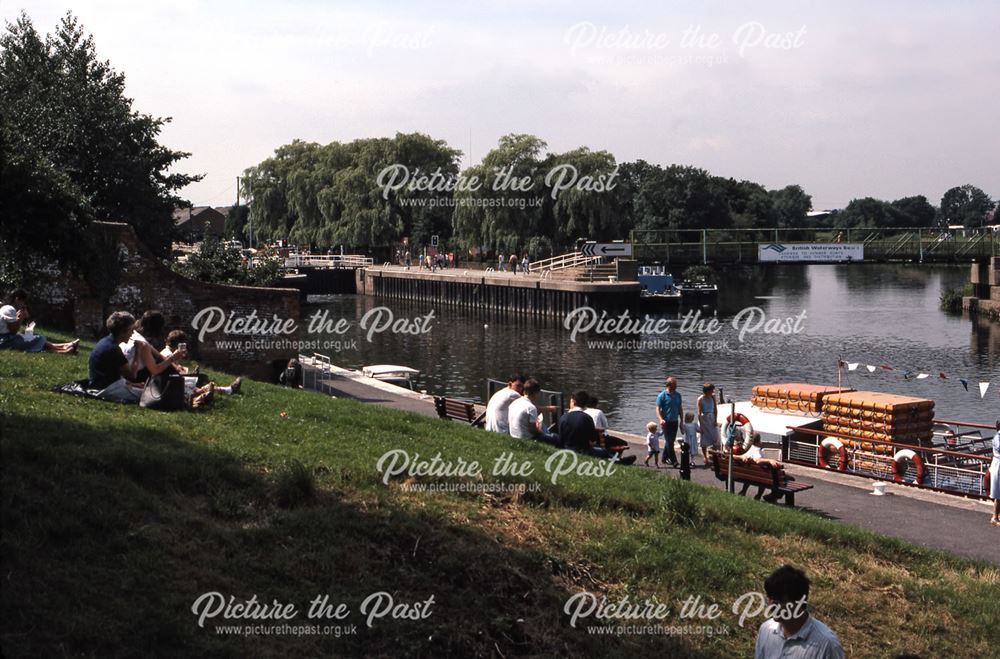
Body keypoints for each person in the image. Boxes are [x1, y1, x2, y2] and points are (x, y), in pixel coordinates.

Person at [754, 565, 845, 659]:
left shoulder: (827, 645)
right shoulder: (766, 631)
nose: (771, 606)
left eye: (779, 601)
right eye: (770, 599)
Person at [88, 312, 148, 403]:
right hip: (106, 389)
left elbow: (113, 374)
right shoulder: (113, 349)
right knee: (148, 395)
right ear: (122, 331)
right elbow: (132, 375)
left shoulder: (105, 341)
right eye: (131, 330)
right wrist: (138, 350)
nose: (132, 333)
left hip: (98, 384)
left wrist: (133, 385)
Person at [162, 330, 242, 396]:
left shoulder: (167, 352)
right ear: (178, 345)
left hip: (171, 383)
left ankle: (225, 390)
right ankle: (227, 390)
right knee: (201, 378)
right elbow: (178, 372)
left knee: (200, 378)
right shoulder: (168, 354)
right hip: (171, 385)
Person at [0, 292, 79, 354]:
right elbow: (13, 331)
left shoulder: (7, 308)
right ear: (17, 299)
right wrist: (21, 318)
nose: (23, 304)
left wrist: (18, 318)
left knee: (32, 338)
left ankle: (65, 348)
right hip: (6, 341)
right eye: (23, 302)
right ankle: (65, 348)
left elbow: (10, 328)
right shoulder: (9, 309)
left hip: (6, 339)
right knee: (37, 339)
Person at [558, 391, 615, 459]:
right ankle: (617, 460)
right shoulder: (587, 418)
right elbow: (592, 438)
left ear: (574, 402)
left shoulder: (564, 417)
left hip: (566, 448)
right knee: (604, 451)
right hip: (584, 450)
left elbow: (561, 437)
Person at [508, 378, 559, 445]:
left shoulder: (514, 403)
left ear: (524, 391)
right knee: (556, 437)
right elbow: (533, 431)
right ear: (536, 394)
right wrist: (540, 431)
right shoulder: (531, 408)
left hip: (513, 435)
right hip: (527, 439)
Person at [738, 433, 784, 501]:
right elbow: (758, 460)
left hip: (749, 475)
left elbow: (738, 456)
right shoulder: (757, 450)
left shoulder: (748, 450)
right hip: (763, 477)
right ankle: (771, 496)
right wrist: (770, 460)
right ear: (759, 441)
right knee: (789, 479)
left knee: (757, 473)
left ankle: (744, 491)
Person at [655, 376, 683, 467]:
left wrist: (682, 421)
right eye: (674, 384)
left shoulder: (678, 395)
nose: (676, 386)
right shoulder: (662, 395)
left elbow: (680, 408)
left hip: (675, 421)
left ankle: (664, 458)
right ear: (669, 385)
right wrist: (660, 419)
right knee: (670, 442)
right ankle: (674, 462)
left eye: (676, 384)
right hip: (666, 422)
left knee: (670, 441)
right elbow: (658, 409)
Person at [697, 383, 720, 462]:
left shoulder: (713, 397)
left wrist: (716, 420)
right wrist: (701, 425)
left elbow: (715, 409)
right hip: (704, 418)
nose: (713, 392)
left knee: (715, 437)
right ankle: (705, 456)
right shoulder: (700, 399)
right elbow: (699, 413)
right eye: (711, 390)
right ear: (707, 391)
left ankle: (715, 455)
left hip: (712, 417)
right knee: (704, 438)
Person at [990, 420, 1000, 527]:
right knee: (998, 493)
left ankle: (998, 515)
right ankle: (995, 517)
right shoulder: (997, 437)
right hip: (998, 466)